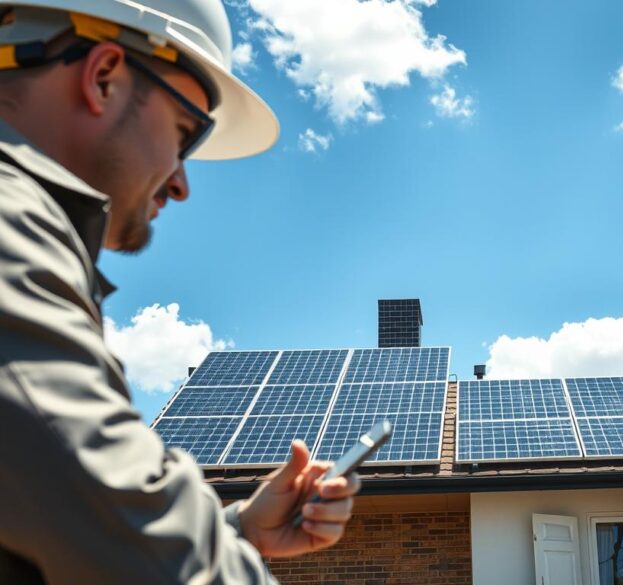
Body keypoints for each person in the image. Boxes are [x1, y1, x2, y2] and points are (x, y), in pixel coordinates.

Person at [0, 1, 359, 582]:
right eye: (185, 133)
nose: (182, 183)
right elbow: (140, 547)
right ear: (103, 77)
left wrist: (235, 531)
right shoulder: (9, 233)